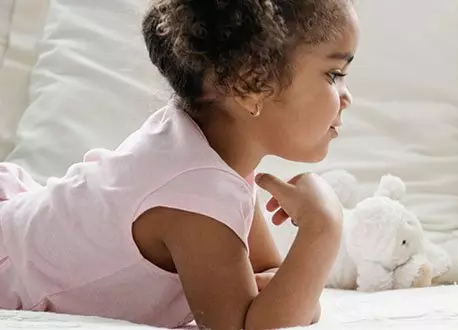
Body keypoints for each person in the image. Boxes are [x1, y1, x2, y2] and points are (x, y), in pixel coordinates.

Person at [0, 0, 359, 328]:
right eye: (333, 74)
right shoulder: (196, 193)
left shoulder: (212, 154)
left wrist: (285, 295)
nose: (347, 97)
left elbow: (276, 284)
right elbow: (254, 325)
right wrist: (323, 228)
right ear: (251, 83)